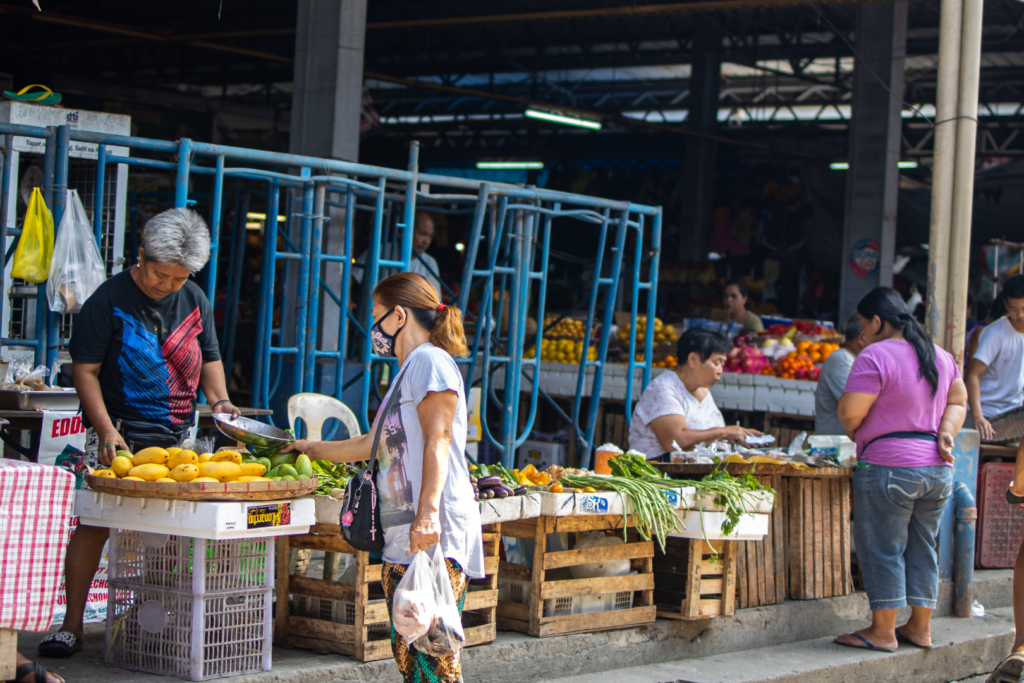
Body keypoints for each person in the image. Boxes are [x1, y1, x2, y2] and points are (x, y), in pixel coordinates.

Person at [38, 209, 241, 658]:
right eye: (160, 274)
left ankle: (151, 624)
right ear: (141, 253)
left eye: (178, 278)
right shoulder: (108, 299)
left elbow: (209, 357)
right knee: (94, 524)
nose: (167, 285)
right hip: (121, 433)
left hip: (178, 437)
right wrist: (107, 429)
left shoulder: (194, 298)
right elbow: (85, 372)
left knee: (169, 534)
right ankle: (71, 625)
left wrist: (221, 402)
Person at [285, 272, 482, 683]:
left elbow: (440, 438)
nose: (372, 327)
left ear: (398, 315)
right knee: (411, 656)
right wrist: (309, 449)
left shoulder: (430, 362)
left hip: (431, 535)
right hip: (403, 534)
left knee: (434, 658)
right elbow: (371, 444)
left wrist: (428, 514)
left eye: (376, 316)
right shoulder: (407, 371)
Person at [833, 287, 967, 653]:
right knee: (924, 546)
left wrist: (859, 431)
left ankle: (883, 631)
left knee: (882, 547)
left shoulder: (875, 354)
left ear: (876, 321)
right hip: (937, 469)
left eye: (864, 323)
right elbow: (959, 401)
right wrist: (946, 433)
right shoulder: (940, 355)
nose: (861, 332)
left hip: (888, 467)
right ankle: (920, 628)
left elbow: (849, 413)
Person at [628, 327, 762, 459]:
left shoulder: (702, 390)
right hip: (660, 473)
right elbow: (674, 443)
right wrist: (725, 432)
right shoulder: (663, 389)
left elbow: (709, 436)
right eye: (716, 363)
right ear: (693, 360)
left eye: (722, 364)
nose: (720, 371)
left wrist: (733, 437)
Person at [966, 276, 1024, 440]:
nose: (1020, 315)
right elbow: (972, 376)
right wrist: (978, 417)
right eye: (1014, 309)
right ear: (1005, 305)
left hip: (1013, 414)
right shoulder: (995, 333)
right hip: (985, 411)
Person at [354, 212, 442, 295]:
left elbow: (434, 301)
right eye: (423, 234)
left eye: (430, 236)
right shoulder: (380, 250)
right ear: (406, 231)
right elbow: (352, 278)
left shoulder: (429, 263)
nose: (426, 241)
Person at [814, 315, 868, 435]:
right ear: (862, 337)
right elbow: (857, 407)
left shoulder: (850, 360)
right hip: (833, 447)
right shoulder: (842, 362)